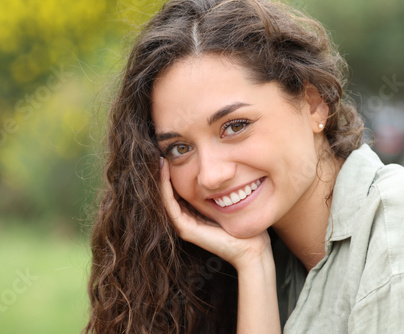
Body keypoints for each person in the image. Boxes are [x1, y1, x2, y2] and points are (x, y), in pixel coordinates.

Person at [85, 0, 404, 333]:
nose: (211, 175)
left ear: (313, 104)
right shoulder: (246, 266)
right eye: (180, 148)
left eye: (235, 126)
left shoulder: (394, 235)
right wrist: (253, 264)